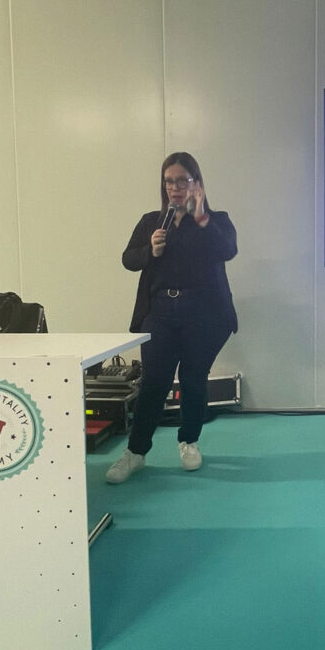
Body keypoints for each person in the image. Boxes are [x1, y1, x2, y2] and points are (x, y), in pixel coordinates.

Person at [106, 152, 237, 484]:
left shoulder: (215, 219)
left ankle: (189, 442)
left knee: (193, 379)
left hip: (204, 313)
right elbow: (128, 259)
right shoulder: (152, 221)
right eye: (169, 181)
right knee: (154, 382)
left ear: (196, 183)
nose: (175, 188)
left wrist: (201, 217)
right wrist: (150, 251)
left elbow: (227, 250)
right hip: (161, 312)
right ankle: (136, 452)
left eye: (182, 180)